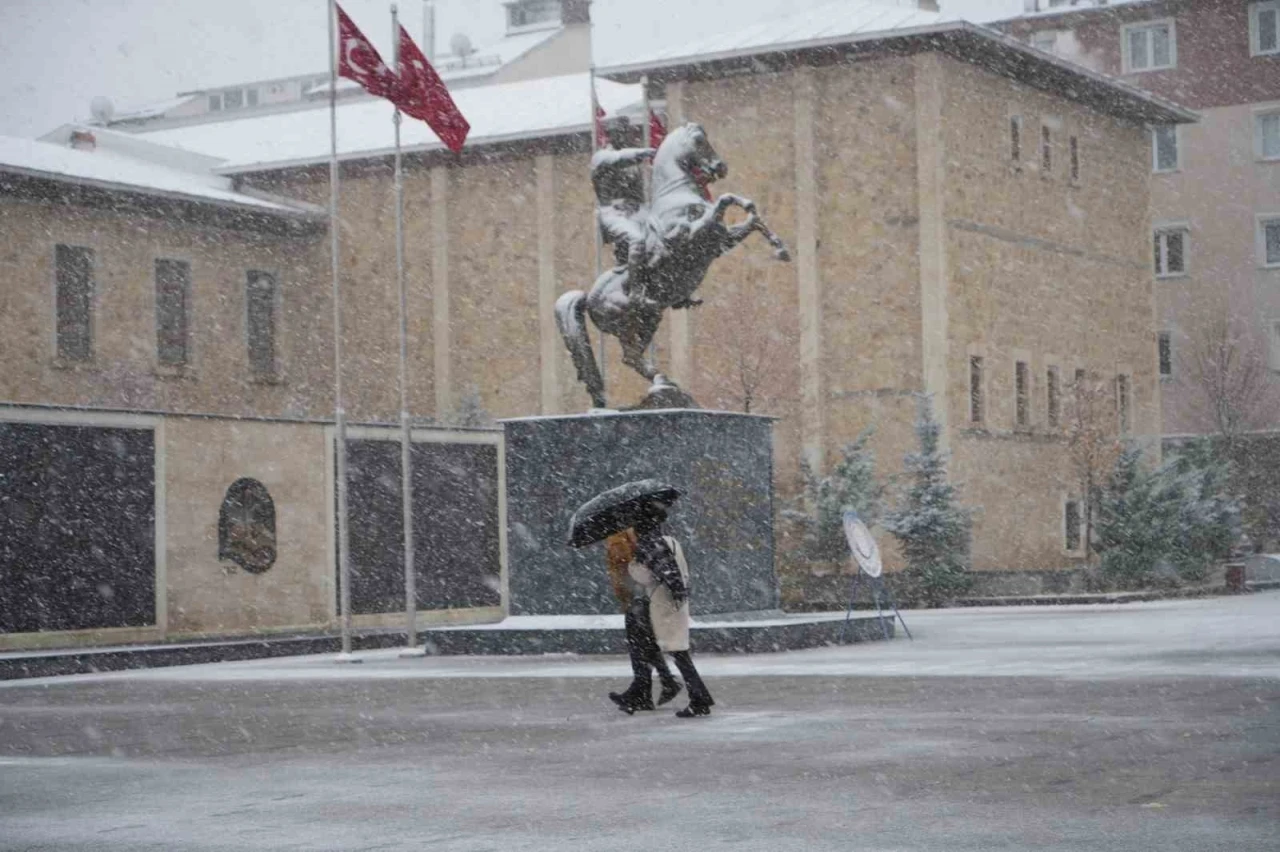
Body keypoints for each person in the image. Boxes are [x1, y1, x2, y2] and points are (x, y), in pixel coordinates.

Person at [615, 501, 716, 718]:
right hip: (672, 605)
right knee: (652, 645)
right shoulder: (669, 542)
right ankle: (643, 692)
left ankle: (699, 699)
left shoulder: (651, 546)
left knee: (679, 654)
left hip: (664, 606)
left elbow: (645, 577)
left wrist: (634, 564)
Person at [604, 529, 682, 713]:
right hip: (639, 593)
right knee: (644, 642)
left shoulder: (620, 535)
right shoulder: (630, 532)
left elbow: (623, 559)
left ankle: (645, 690)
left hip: (637, 593)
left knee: (638, 643)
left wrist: (614, 552)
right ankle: (660, 684)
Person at [590, 116, 658, 307]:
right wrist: (646, 152)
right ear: (611, 135)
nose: (627, 136)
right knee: (636, 239)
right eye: (623, 132)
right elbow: (618, 159)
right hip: (612, 212)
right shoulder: (601, 157)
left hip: (636, 211)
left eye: (628, 132)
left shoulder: (633, 167)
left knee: (668, 233)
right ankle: (637, 293)